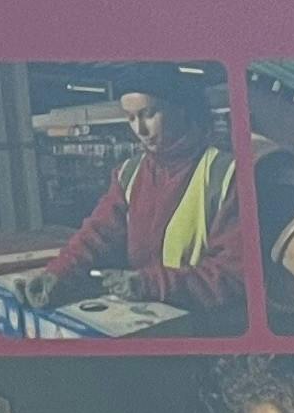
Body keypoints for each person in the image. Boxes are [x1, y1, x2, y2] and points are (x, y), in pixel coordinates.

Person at [38, 66, 246, 324]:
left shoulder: (225, 175)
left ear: (180, 109)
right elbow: (96, 234)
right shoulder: (129, 174)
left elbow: (234, 275)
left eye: (149, 114)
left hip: (206, 325)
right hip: (148, 320)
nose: (140, 129)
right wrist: (58, 272)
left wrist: (151, 283)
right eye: (131, 118)